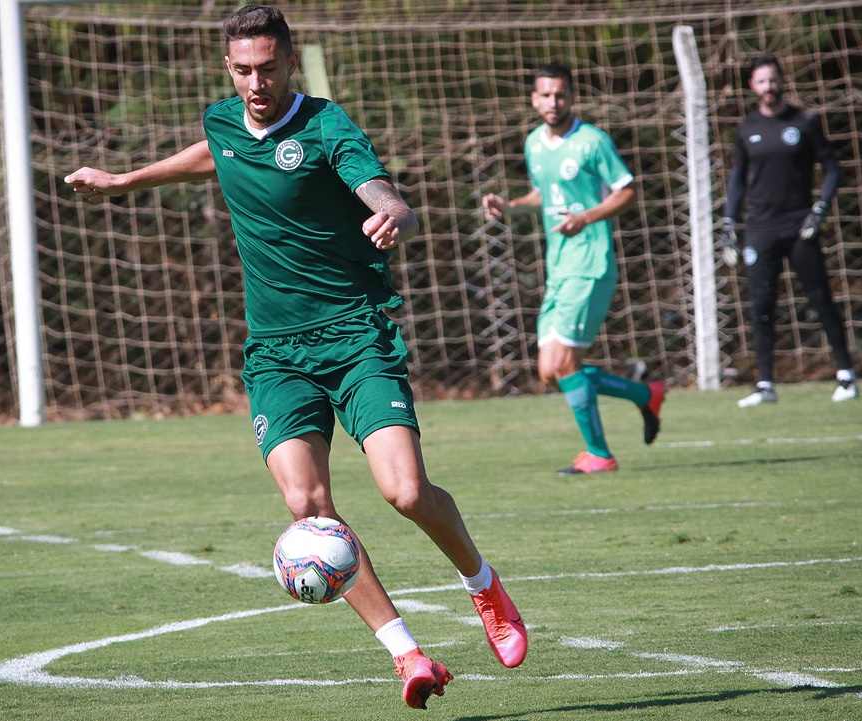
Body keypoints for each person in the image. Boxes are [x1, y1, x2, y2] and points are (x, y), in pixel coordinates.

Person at [64, 5, 526, 710]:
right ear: (229, 67)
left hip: (353, 335)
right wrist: (126, 181)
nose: (257, 81)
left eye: (268, 68)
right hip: (275, 354)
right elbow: (210, 154)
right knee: (306, 509)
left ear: (289, 61)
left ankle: (482, 584)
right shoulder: (223, 120)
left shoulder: (325, 125)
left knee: (403, 492)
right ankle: (406, 654)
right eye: (244, 69)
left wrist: (391, 211)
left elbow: (378, 189)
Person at [482, 63, 665, 476]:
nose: (553, 102)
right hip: (559, 267)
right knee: (550, 371)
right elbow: (544, 194)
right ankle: (643, 393)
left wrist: (587, 217)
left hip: (590, 262)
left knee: (562, 364)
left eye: (560, 94)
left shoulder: (592, 141)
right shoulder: (533, 143)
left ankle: (599, 454)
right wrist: (509, 206)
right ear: (534, 99)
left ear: (572, 96)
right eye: (545, 95)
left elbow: (628, 191)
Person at [720, 53, 857, 407]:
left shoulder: (805, 122)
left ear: (782, 81)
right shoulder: (746, 127)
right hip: (760, 229)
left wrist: (820, 210)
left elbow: (832, 167)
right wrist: (727, 222)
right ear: (753, 86)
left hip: (799, 227)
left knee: (820, 298)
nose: (769, 87)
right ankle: (765, 384)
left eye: (773, 79)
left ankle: (846, 374)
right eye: (762, 81)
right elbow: (737, 179)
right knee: (762, 306)